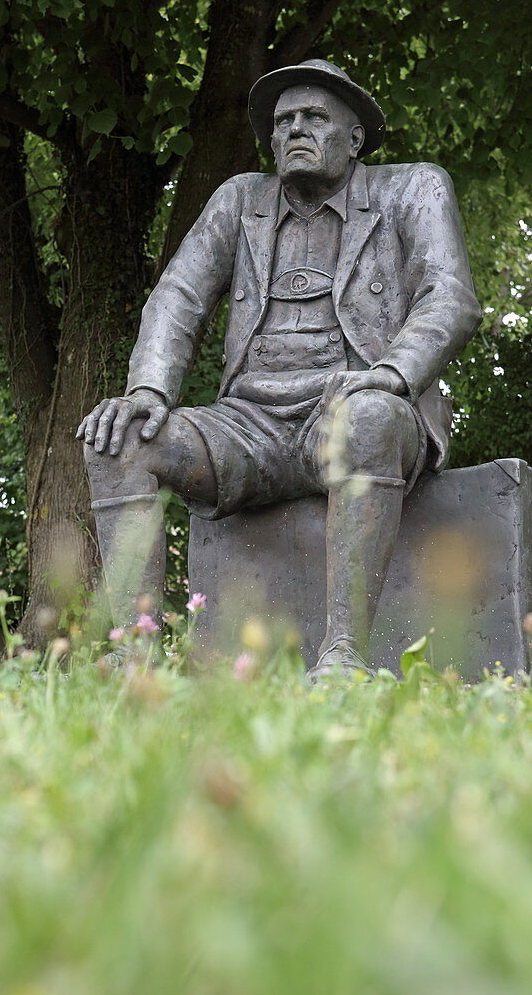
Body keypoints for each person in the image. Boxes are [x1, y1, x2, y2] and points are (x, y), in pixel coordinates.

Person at [76, 59, 482, 678]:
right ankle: (136, 656)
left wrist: (393, 374)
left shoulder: (414, 189)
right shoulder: (239, 200)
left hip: (355, 405)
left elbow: (449, 297)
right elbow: (177, 296)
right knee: (122, 439)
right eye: (284, 120)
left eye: (315, 118)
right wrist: (149, 390)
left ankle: (343, 657)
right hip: (248, 427)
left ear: (354, 138)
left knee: (368, 420)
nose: (296, 129)